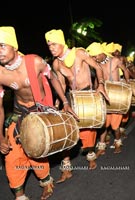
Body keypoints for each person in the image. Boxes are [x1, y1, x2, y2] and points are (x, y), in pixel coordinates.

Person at [0, 26, 77, 200]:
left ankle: (46, 181)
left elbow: (53, 78)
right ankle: (20, 196)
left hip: (41, 111)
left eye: (2, 45)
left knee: (37, 153)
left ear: (14, 46)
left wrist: (65, 102)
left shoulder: (35, 62)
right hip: (20, 114)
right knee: (11, 157)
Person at [45, 29, 109, 182]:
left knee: (88, 132)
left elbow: (98, 67)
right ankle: (67, 169)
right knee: (66, 133)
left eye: (54, 44)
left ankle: (90, 156)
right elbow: (61, 84)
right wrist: (57, 103)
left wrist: (100, 84)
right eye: (49, 45)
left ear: (62, 43)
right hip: (71, 98)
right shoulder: (56, 63)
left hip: (87, 95)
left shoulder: (79, 53)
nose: (51, 48)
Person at [86, 42, 130, 156]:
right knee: (104, 124)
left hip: (116, 98)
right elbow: (97, 79)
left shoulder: (114, 60)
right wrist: (95, 90)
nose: (94, 59)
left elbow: (125, 70)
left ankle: (117, 143)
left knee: (115, 126)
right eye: (93, 57)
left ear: (101, 53)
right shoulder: (97, 64)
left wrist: (127, 83)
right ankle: (101, 146)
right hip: (104, 96)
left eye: (95, 56)